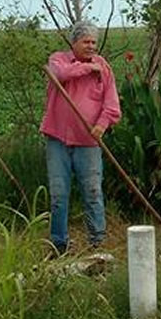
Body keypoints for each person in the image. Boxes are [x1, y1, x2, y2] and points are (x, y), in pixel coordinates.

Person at [40, 20, 121, 255]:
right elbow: (59, 75)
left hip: (88, 143)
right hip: (58, 140)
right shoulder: (59, 60)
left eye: (94, 42)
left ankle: (97, 241)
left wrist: (102, 125)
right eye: (86, 41)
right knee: (58, 193)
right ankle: (58, 245)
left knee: (93, 191)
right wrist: (86, 68)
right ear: (74, 42)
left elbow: (112, 104)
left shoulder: (103, 68)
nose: (91, 46)